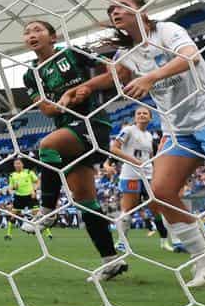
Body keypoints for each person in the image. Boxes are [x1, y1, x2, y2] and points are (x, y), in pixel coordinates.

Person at [64, 0, 205, 288]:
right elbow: (113, 77)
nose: (116, 11)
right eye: (111, 9)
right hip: (178, 128)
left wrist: (151, 77)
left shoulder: (167, 31)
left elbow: (190, 56)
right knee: (161, 191)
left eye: (123, 6)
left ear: (142, 10)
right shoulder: (128, 53)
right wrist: (85, 88)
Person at [18, 20, 126, 282]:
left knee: (47, 146)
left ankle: (46, 210)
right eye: (27, 32)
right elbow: (45, 109)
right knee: (85, 201)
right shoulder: (31, 74)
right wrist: (63, 103)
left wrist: (85, 87)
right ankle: (111, 260)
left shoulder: (72, 53)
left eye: (37, 30)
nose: (31, 35)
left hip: (93, 123)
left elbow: (117, 72)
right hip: (68, 130)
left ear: (53, 37)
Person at [110, 106, 173, 251]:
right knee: (128, 210)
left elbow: (150, 157)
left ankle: (164, 241)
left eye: (145, 113)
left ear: (150, 118)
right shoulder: (128, 130)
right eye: (139, 113)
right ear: (135, 117)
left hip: (149, 175)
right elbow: (114, 149)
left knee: (156, 209)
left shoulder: (149, 136)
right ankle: (121, 242)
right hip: (131, 175)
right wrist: (133, 161)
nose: (142, 115)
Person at [3, 158, 43, 241]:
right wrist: (14, 188)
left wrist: (34, 190)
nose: (17, 165)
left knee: (37, 214)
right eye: (16, 164)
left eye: (19, 163)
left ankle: (48, 234)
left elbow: (38, 181)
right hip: (19, 197)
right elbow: (10, 187)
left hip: (30, 196)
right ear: (14, 165)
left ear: (22, 164)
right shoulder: (12, 175)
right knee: (13, 215)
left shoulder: (28, 172)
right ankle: (8, 234)